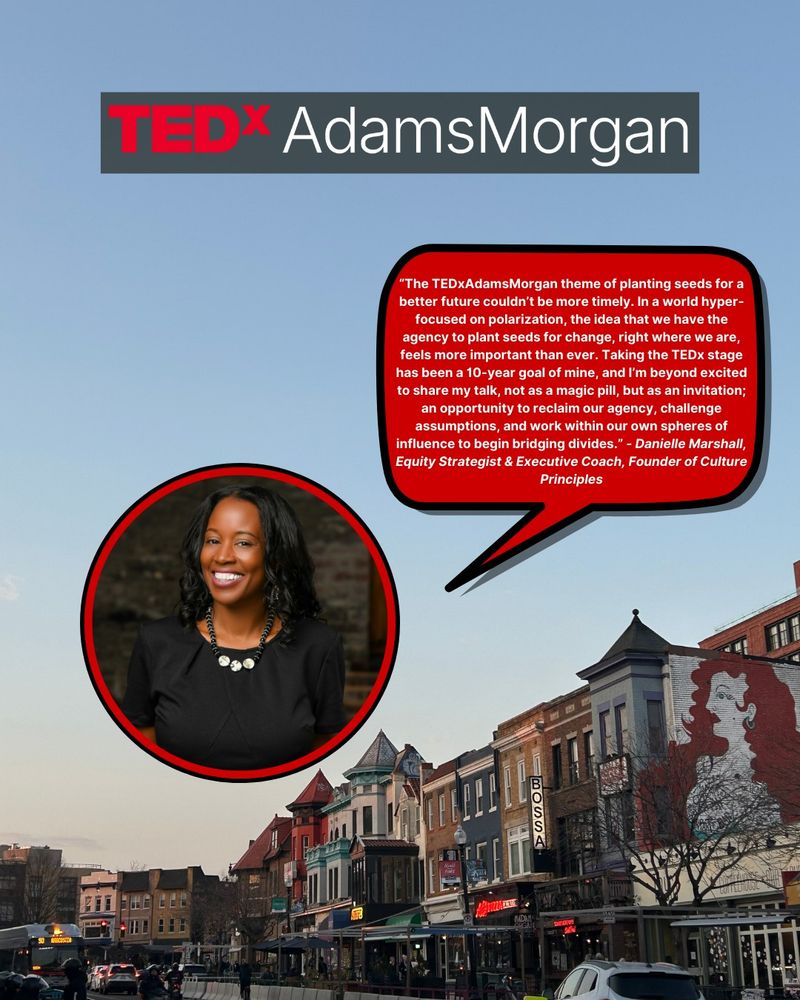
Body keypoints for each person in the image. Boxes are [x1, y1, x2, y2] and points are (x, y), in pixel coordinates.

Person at [122, 484, 347, 770]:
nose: (223, 556)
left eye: (243, 542)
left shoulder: (319, 647)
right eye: (213, 540)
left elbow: (325, 747)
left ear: (276, 556)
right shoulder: (155, 642)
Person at [681, 658, 800, 836]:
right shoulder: (704, 766)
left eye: (721, 696)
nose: (709, 706)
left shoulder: (768, 772)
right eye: (712, 696)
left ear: (750, 711)